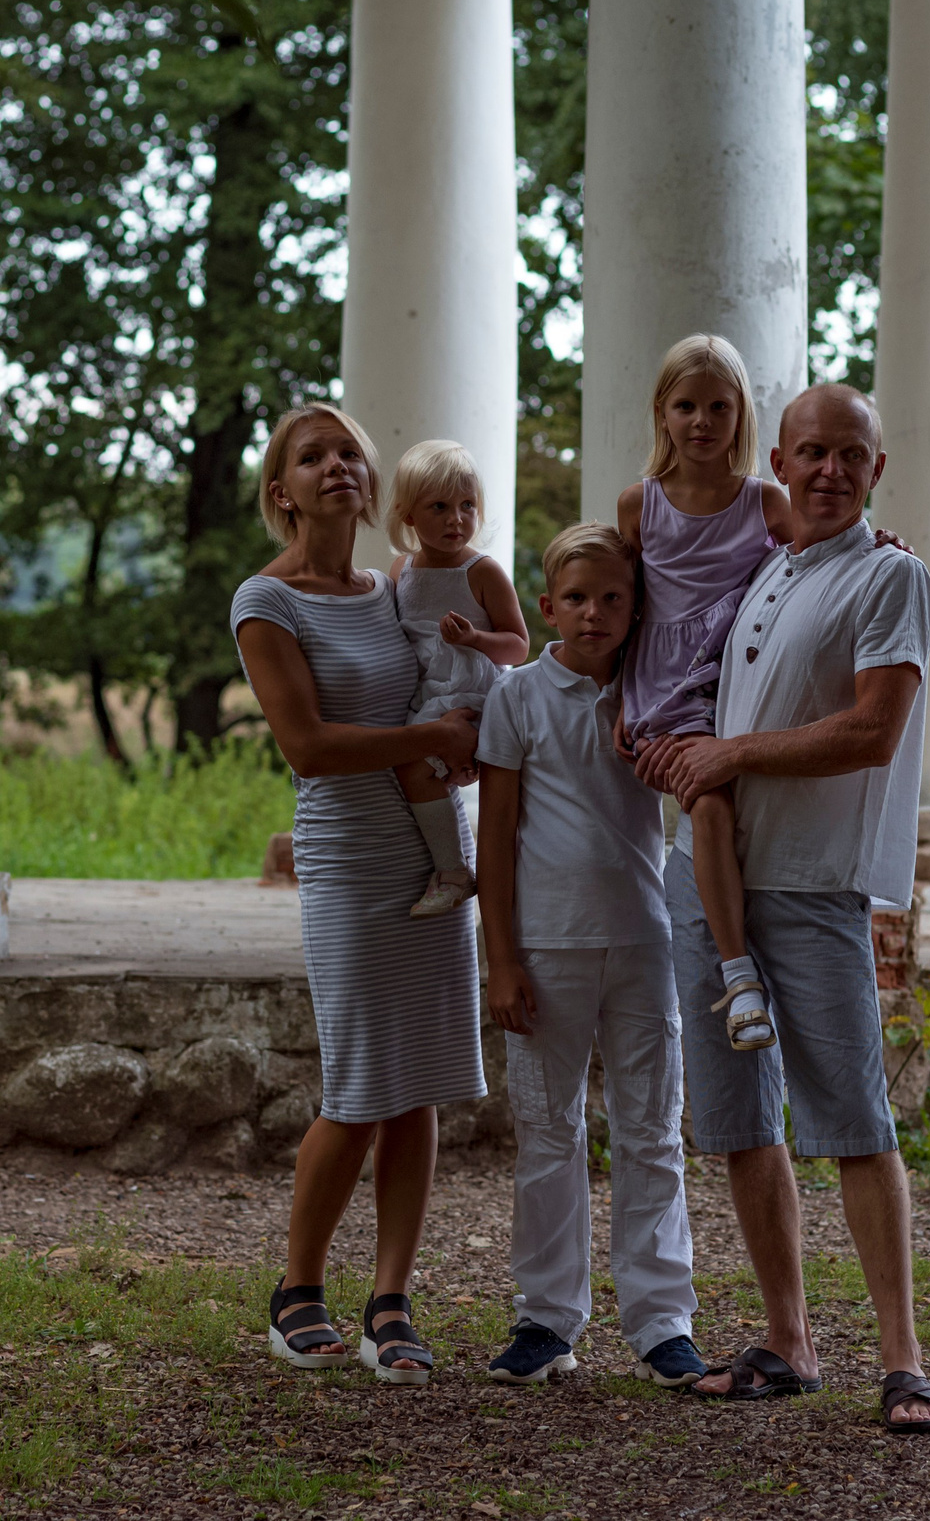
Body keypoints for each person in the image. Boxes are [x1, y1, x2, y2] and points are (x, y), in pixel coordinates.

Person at [632, 382, 930, 1435]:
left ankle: (903, 1360)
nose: (826, 471)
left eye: (847, 455)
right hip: (706, 877)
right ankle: (787, 1340)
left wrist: (729, 753)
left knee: (853, 1120)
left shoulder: (890, 577)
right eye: (808, 453)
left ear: (875, 470)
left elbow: (871, 732)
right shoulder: (766, 570)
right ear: (780, 461)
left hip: (813, 883)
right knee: (736, 1120)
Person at [232, 404, 488, 1387]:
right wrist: (430, 744)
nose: (334, 465)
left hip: (436, 856)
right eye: (312, 456)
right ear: (280, 491)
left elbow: (460, 673)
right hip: (347, 860)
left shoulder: (396, 590)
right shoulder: (266, 602)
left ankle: (391, 1299)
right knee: (355, 1085)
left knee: (416, 1085)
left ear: (372, 487)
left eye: (349, 454)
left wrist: (466, 747)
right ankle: (296, 1288)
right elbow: (308, 748)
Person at [477, 523, 707, 1391]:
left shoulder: (656, 694)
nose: (595, 612)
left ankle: (660, 1322)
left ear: (637, 606)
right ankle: (546, 1316)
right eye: (577, 597)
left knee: (652, 1132)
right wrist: (502, 960)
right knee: (547, 1132)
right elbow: (494, 838)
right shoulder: (518, 698)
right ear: (547, 606)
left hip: (645, 941)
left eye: (614, 598)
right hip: (544, 947)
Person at [616, 336, 790, 1055]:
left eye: (719, 406)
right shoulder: (639, 505)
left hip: (736, 686)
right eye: (685, 405)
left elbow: (826, 555)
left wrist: (887, 543)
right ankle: (736, 973)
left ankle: (739, 965)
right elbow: (621, 611)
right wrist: (616, 709)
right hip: (667, 691)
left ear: (741, 414)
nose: (701, 421)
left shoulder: (766, 503)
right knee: (707, 804)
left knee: (724, 808)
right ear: (662, 413)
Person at [384, 440, 529, 918]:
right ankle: (453, 867)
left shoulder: (481, 570)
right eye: (440, 507)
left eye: (467, 506)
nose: (456, 519)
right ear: (407, 515)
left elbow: (518, 644)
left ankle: (457, 871)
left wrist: (474, 640)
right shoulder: (402, 570)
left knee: (428, 769)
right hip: (430, 693)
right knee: (413, 769)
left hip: (473, 690)